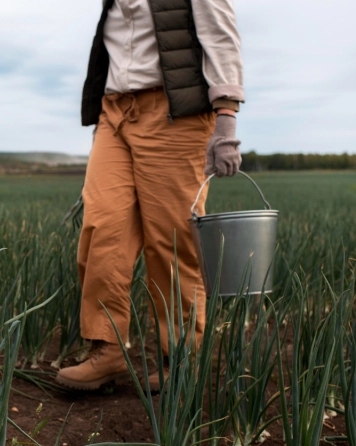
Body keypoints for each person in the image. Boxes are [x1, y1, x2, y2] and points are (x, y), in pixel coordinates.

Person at [56, 0, 244, 390]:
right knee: (102, 226)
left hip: (175, 115)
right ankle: (107, 348)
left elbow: (221, 37)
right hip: (115, 113)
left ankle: (183, 359)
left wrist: (226, 118)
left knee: (171, 240)